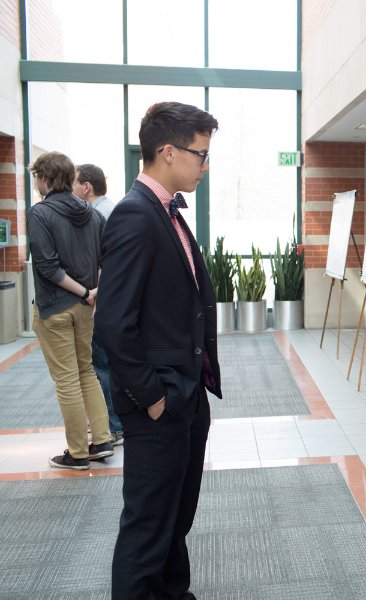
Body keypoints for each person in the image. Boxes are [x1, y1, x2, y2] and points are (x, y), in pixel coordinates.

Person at [95, 101, 222, 600]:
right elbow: (112, 321)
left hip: (185, 396)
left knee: (175, 514)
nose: (205, 166)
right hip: (160, 402)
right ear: (167, 152)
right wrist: (152, 395)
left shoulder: (166, 212)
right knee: (147, 526)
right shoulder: (134, 215)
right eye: (200, 155)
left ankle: (174, 593)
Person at [27, 151, 114, 470]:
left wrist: (82, 291)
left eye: (37, 176)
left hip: (55, 308)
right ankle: (102, 439)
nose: (36, 181)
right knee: (86, 371)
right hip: (85, 309)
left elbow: (48, 267)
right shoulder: (92, 214)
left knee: (66, 379)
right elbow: (109, 260)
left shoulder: (40, 214)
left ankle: (77, 453)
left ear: (46, 178)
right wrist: (93, 293)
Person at [73, 164, 123, 446]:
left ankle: (113, 427)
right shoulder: (108, 210)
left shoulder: (97, 215)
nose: (72, 191)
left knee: (100, 365)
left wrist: (95, 294)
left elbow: (107, 264)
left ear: (86, 187)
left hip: (100, 302)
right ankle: (114, 424)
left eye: (74, 185)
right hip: (107, 300)